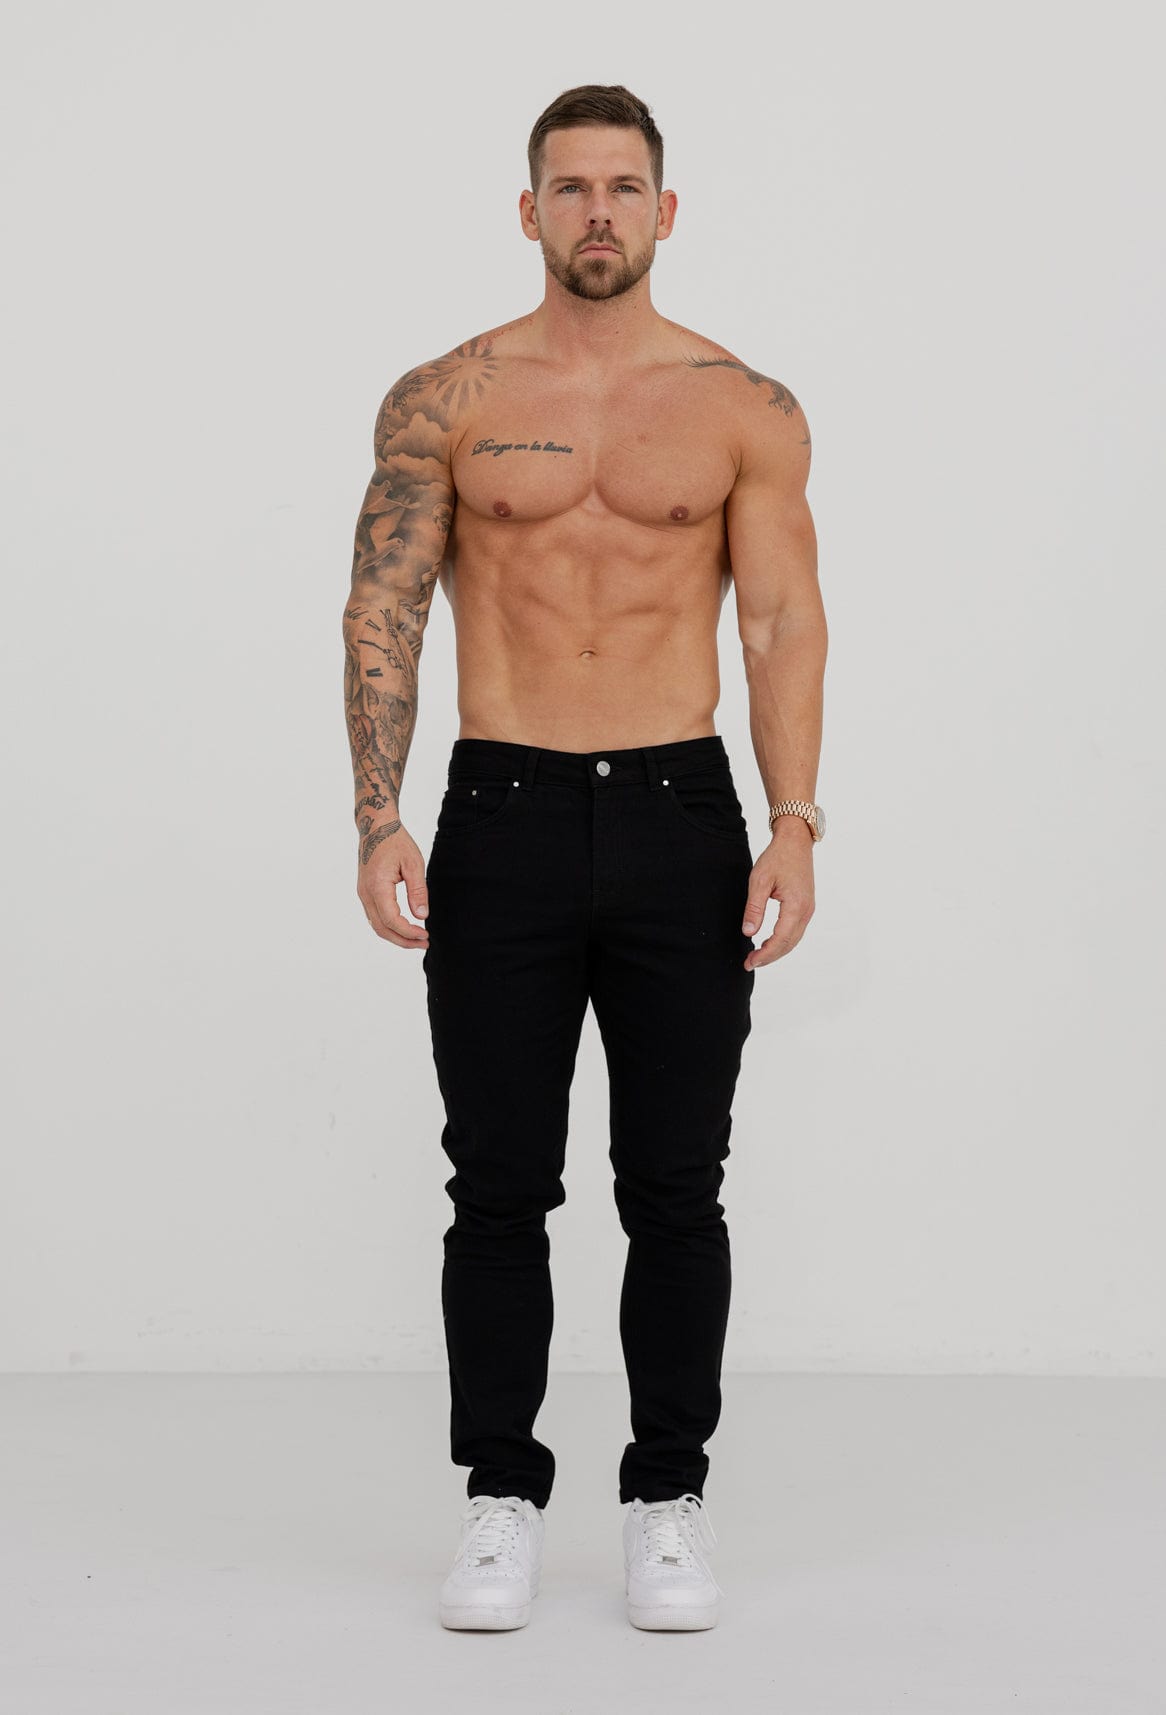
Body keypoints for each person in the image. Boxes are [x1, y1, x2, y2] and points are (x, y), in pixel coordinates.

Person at [342, 83, 827, 1633]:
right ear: (529, 210)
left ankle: (664, 1499)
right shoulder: (448, 396)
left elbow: (778, 619)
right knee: (498, 1185)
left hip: (683, 812)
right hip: (504, 809)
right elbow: (384, 604)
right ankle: (499, 1497)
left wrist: (794, 821)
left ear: (665, 211)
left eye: (623, 186)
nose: (597, 210)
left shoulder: (742, 404)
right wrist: (377, 813)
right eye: (570, 187)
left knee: (675, 1185)